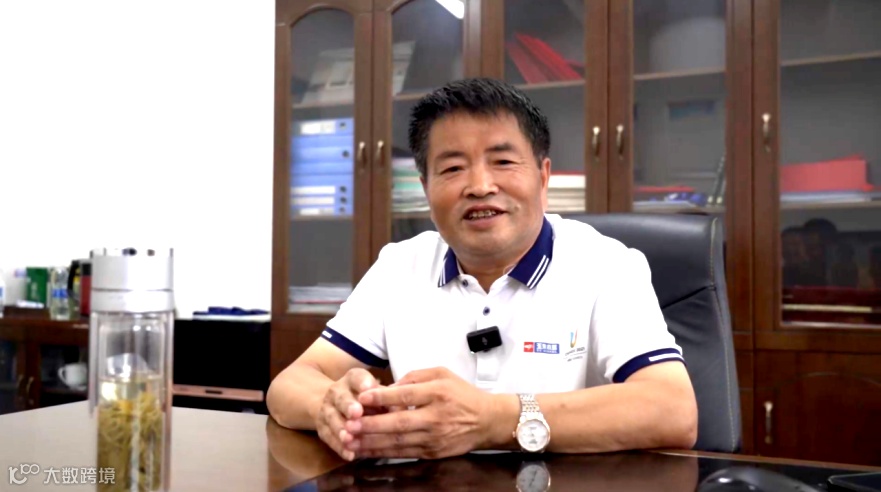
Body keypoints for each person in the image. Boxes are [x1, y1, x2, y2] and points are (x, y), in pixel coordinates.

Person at [267, 78, 698, 461]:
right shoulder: (399, 266)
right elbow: (289, 385)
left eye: (503, 162)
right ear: (426, 188)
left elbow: (673, 410)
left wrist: (491, 419)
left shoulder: (607, 265)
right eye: (452, 168)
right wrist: (333, 406)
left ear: (543, 177)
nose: (479, 186)